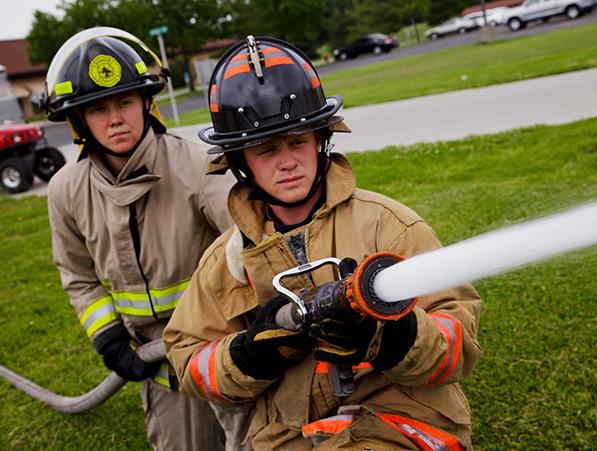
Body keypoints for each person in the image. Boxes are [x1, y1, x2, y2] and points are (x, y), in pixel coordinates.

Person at [164, 36, 482, 450]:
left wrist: (391, 336)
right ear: (240, 161)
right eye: (265, 149)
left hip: (399, 420)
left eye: (298, 140)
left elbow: (458, 340)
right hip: (289, 434)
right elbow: (188, 359)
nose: (288, 161)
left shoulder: (389, 226)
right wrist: (248, 354)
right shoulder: (225, 261)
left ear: (320, 139)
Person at [44, 27, 234, 450]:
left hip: (221, 354)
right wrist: (108, 337)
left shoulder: (199, 166)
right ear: (77, 120)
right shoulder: (65, 191)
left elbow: (249, 247)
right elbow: (77, 274)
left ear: (146, 102)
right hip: (161, 374)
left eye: (124, 101)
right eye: (96, 108)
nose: (114, 119)